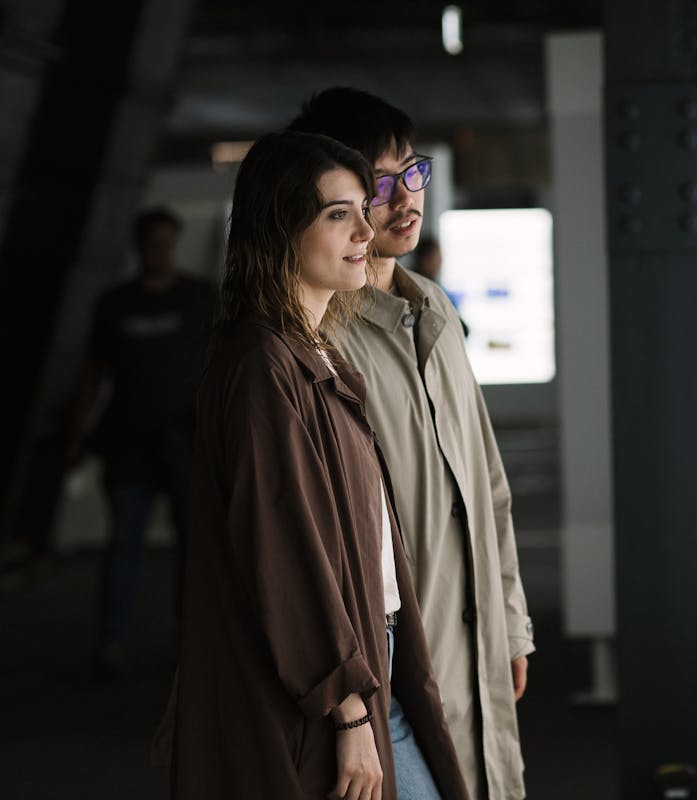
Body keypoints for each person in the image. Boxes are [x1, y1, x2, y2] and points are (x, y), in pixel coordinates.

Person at [169, 130, 468, 800]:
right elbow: (284, 549)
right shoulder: (263, 364)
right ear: (282, 227)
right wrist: (348, 707)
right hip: (333, 693)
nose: (367, 228)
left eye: (364, 208)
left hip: (372, 660)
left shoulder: (313, 353)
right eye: (339, 214)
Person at [290, 88, 534, 799]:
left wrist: (512, 623)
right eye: (379, 185)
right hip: (390, 663)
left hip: (475, 634)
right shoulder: (321, 335)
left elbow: (486, 483)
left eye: (412, 173)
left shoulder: (435, 308)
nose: (406, 200)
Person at [67, 206, 216, 676]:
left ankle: (193, 644)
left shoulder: (199, 299)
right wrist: (77, 430)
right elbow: (92, 372)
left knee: (195, 550)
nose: (161, 251)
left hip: (186, 442)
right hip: (128, 443)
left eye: (167, 242)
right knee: (124, 545)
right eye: (153, 243)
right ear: (139, 246)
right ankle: (112, 644)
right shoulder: (116, 304)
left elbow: (225, 365)